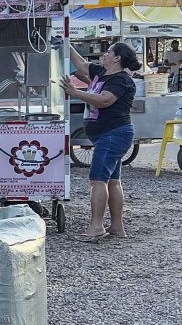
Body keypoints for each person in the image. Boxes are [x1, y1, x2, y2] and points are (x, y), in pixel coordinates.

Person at [59, 41, 139, 241]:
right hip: (109, 134)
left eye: (109, 51)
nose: (104, 54)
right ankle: (117, 227)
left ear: (117, 58)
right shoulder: (103, 73)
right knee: (112, 180)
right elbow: (81, 65)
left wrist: (75, 92)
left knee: (98, 180)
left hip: (113, 134)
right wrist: (66, 42)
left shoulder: (121, 80)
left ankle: (96, 226)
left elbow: (104, 101)